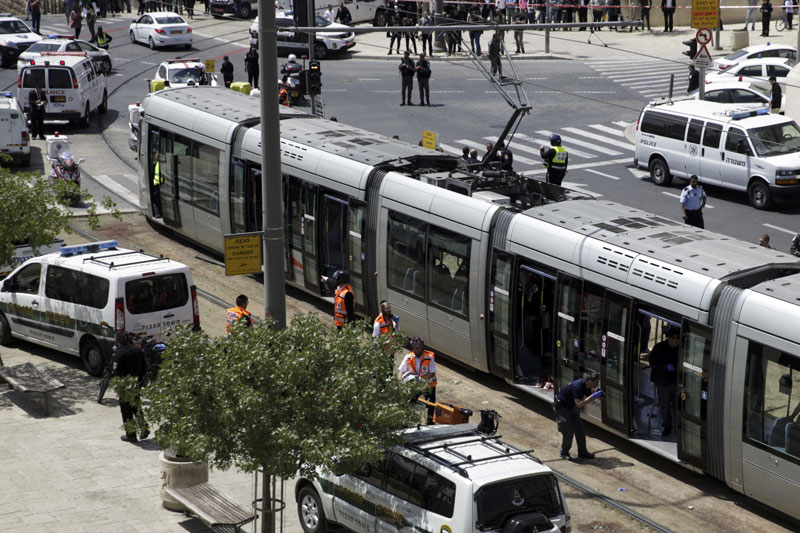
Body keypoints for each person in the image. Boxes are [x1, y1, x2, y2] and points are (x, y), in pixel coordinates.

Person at [113, 331, 149, 443]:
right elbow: (144, 367)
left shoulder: (118, 354)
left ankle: (131, 434)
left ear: (116, 341)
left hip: (125, 386)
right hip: (136, 383)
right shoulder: (137, 350)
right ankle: (143, 429)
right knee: (136, 406)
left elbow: (116, 372)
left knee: (126, 410)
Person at [554, 374, 601, 460]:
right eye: (596, 383)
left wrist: (595, 393)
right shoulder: (578, 386)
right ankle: (564, 453)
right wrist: (593, 397)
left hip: (571, 408)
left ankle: (582, 453)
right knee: (568, 432)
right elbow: (579, 404)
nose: (597, 384)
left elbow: (586, 396)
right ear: (590, 382)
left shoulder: (585, 385)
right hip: (563, 409)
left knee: (580, 430)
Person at [398, 337, 437, 424]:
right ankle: (405, 421)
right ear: (412, 347)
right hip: (415, 385)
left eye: (419, 347)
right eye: (415, 348)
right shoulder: (408, 357)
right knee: (409, 402)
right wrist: (400, 382)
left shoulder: (429, 356)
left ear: (422, 346)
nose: (417, 349)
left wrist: (421, 380)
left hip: (428, 385)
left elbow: (432, 373)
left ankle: (430, 422)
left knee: (430, 405)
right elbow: (401, 371)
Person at [649, 328, 679, 438]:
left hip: (676, 382)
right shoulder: (660, 347)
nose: (674, 342)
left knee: (678, 406)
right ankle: (667, 426)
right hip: (663, 382)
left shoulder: (681, 349)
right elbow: (652, 362)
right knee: (665, 406)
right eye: (672, 340)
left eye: (676, 340)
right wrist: (665, 367)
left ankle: (678, 428)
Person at [152, 152, 162, 218]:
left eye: (156, 157)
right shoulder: (158, 164)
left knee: (156, 200)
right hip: (157, 185)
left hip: (157, 185)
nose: (155, 158)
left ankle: (158, 213)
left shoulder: (156, 165)